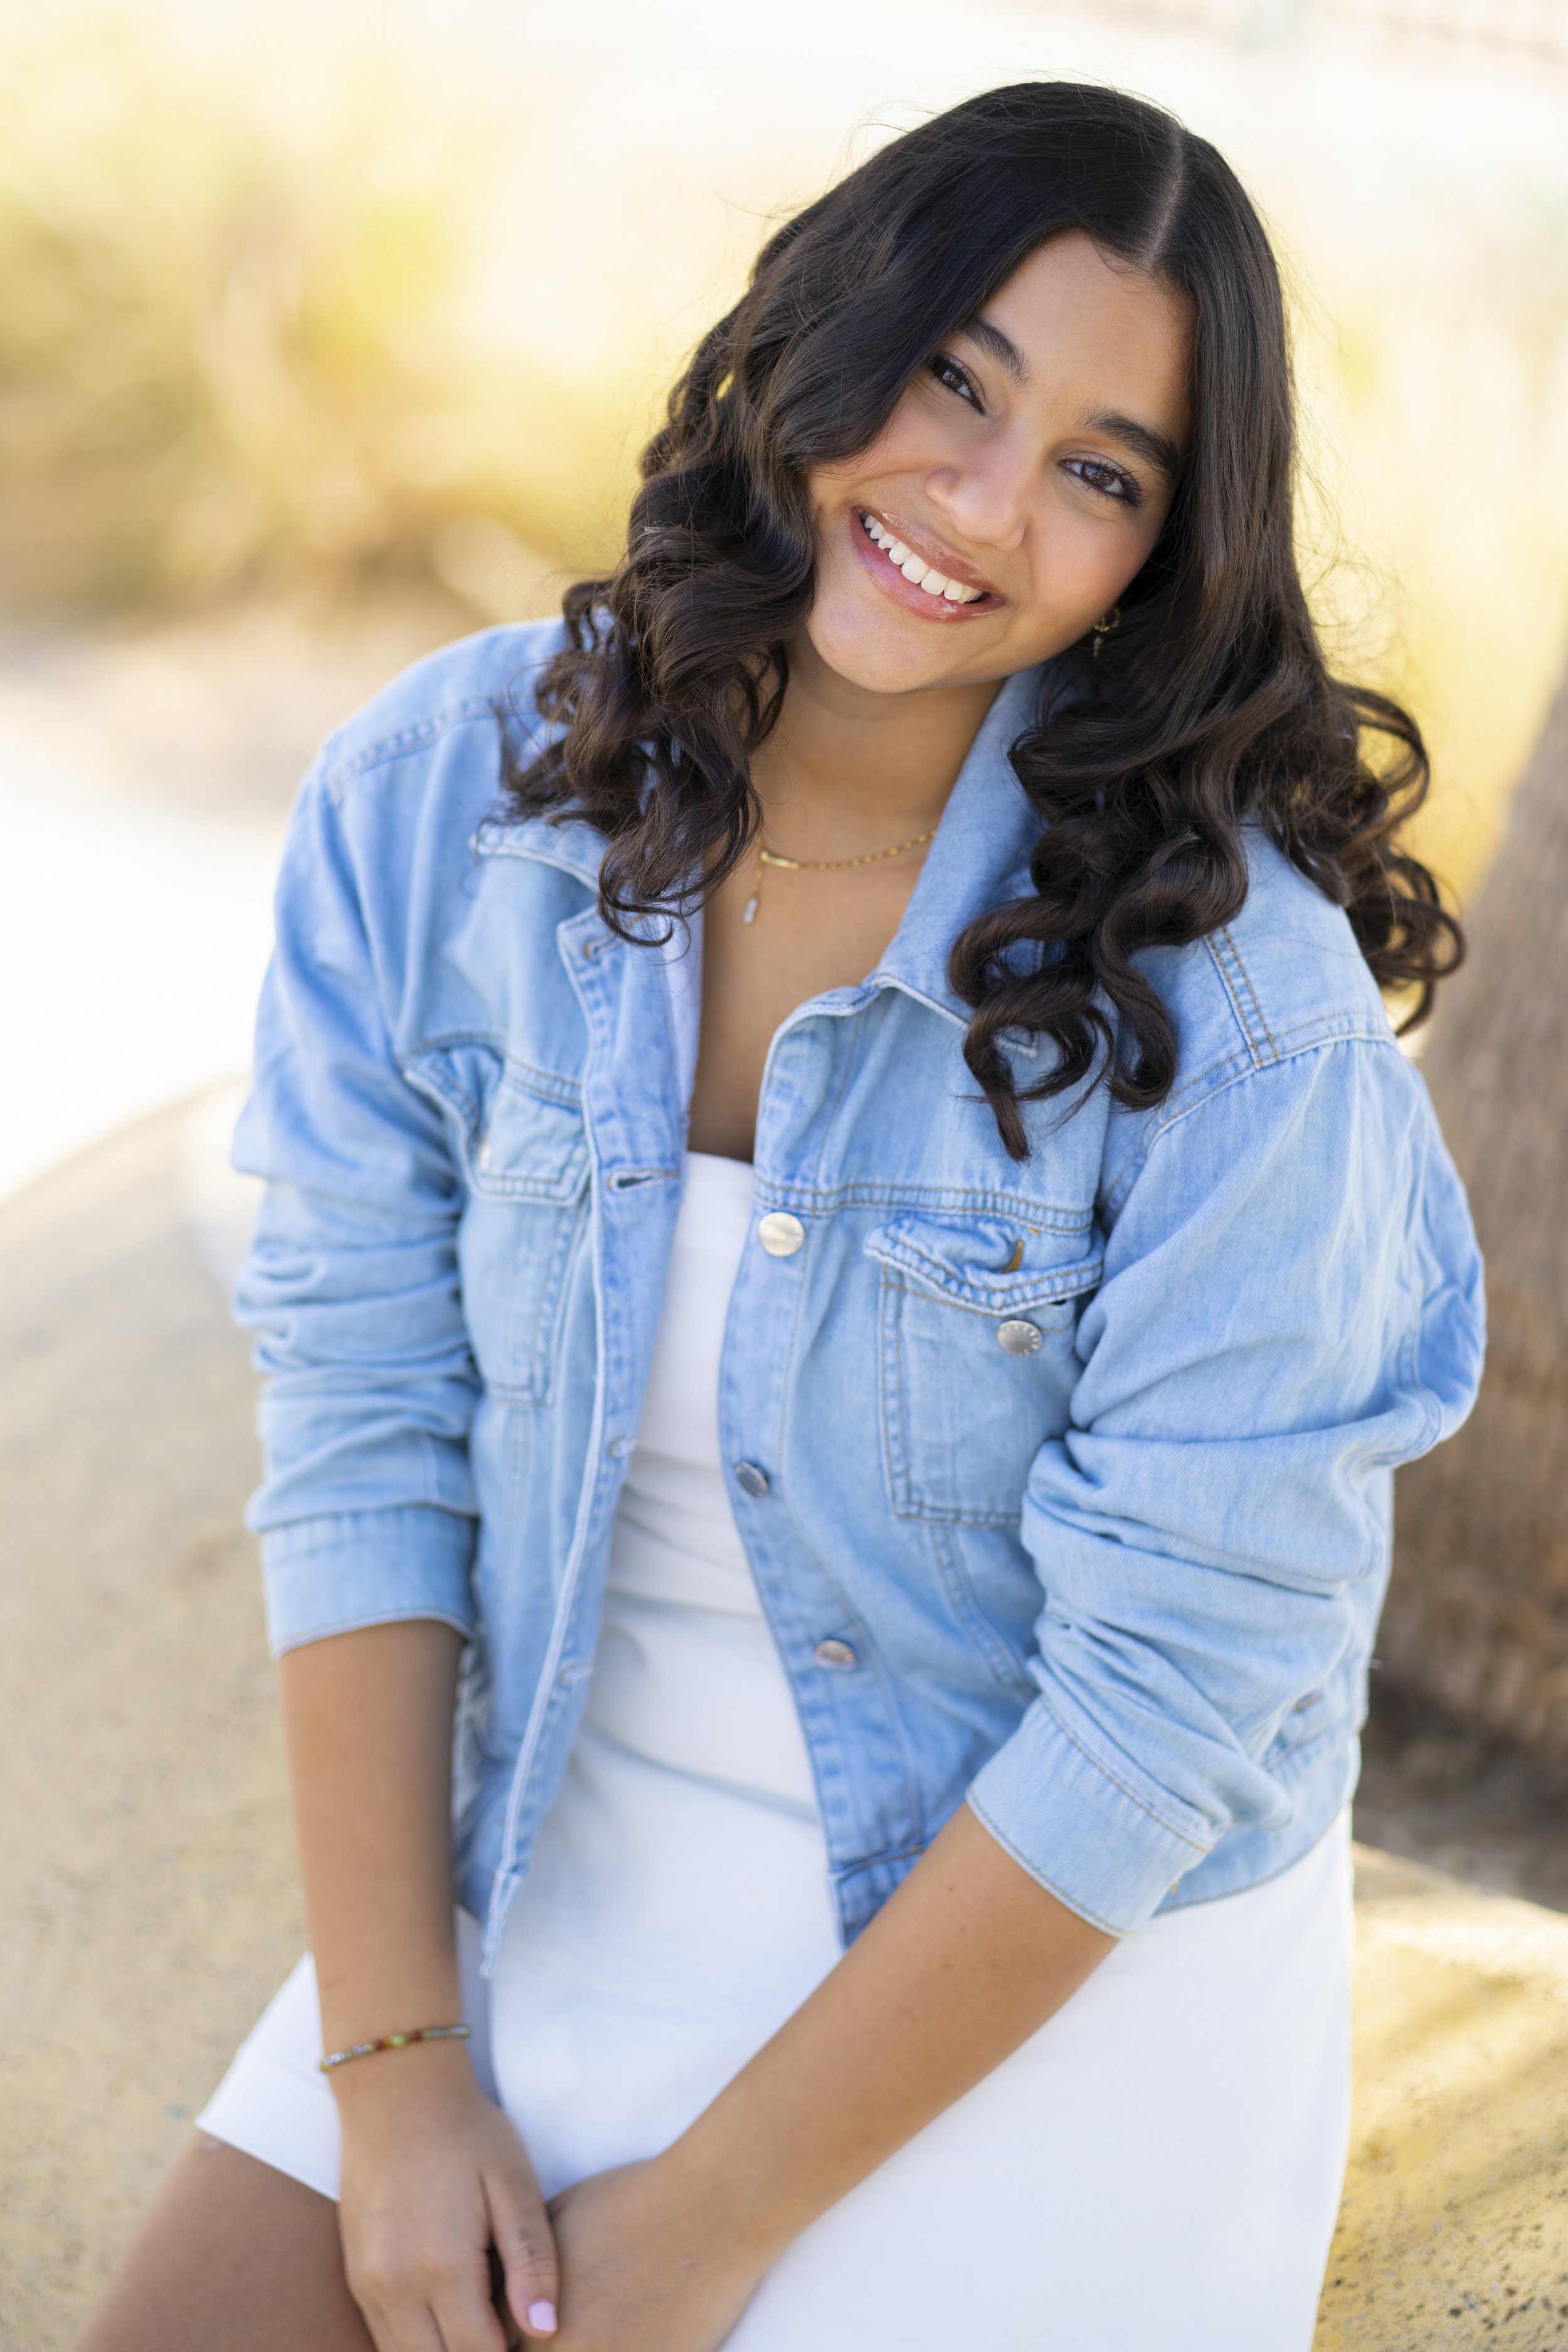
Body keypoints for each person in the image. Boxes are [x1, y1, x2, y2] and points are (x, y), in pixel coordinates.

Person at [75, 79, 1484, 2352]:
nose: (984, 504)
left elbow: (1159, 1711)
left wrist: (716, 2217)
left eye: (1100, 474)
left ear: (1159, 553)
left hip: (1038, 1952)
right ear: (834, 336)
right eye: (957, 380)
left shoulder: (1248, 1024)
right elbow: (361, 1426)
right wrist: (401, 2072)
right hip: (562, 1821)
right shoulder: (443, 800)